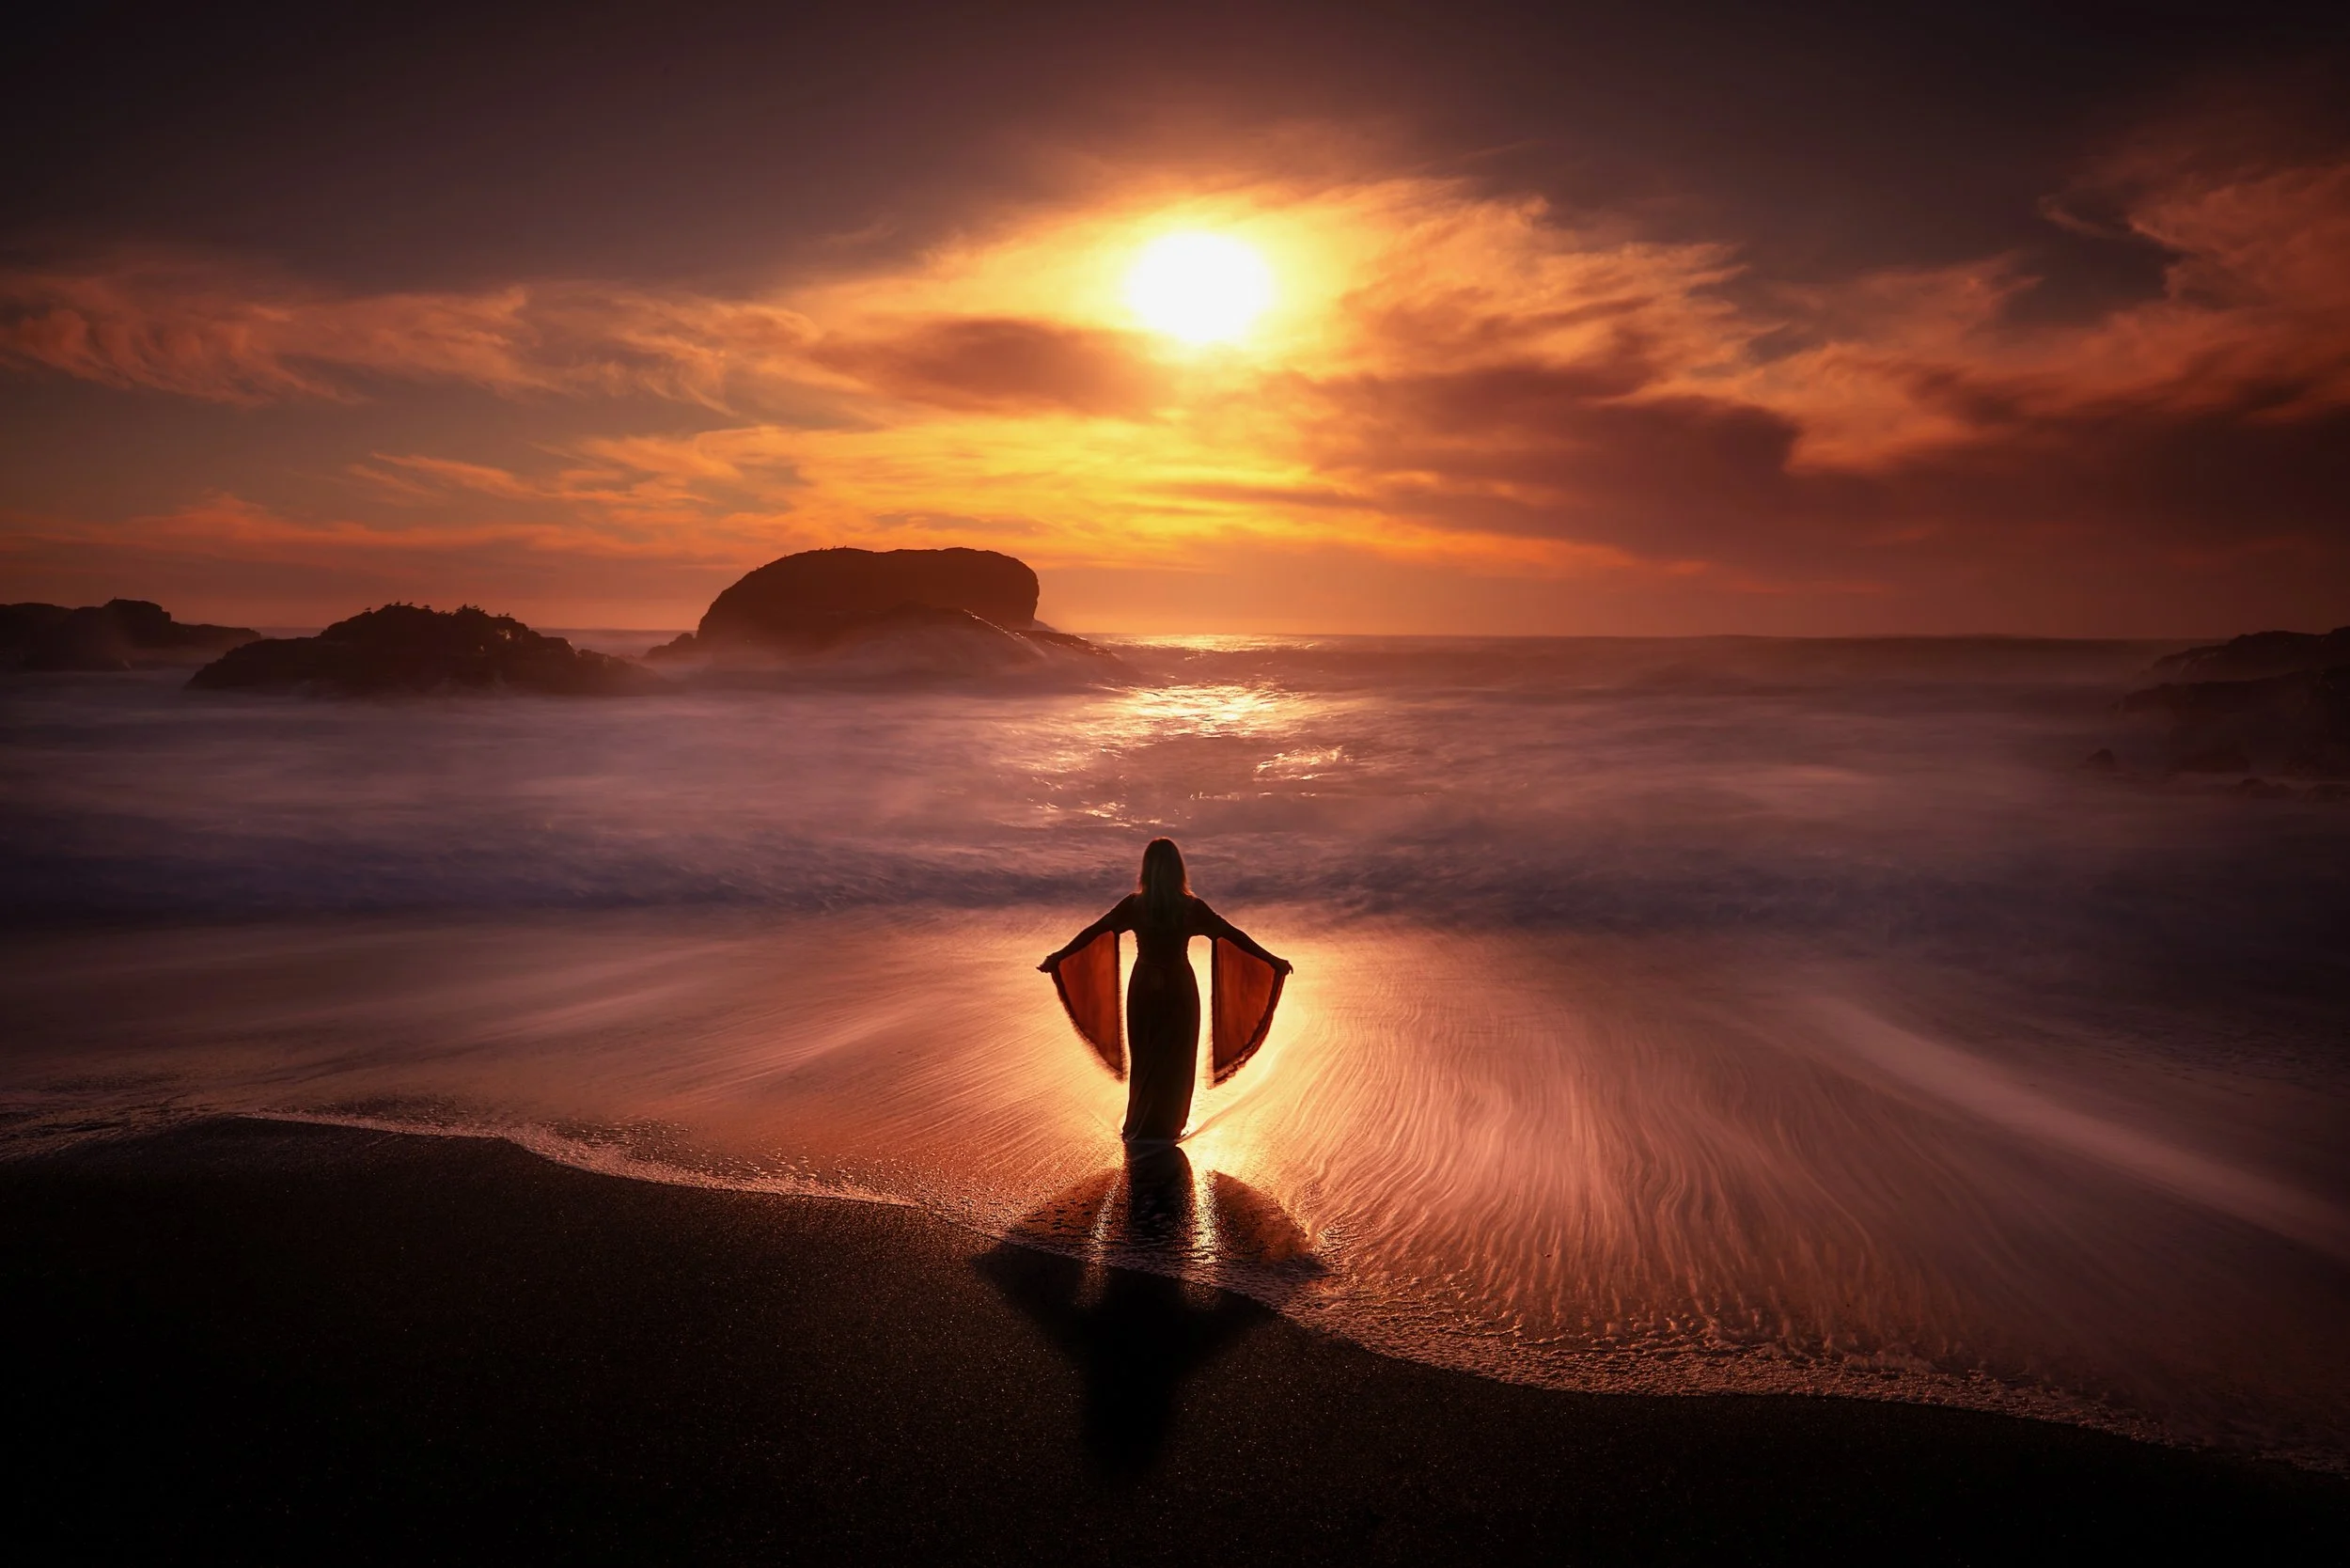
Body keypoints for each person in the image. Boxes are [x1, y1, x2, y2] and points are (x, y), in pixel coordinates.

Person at [1039, 838, 1292, 1142]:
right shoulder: (1190, 908)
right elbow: (1233, 935)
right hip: (1178, 987)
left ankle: (1139, 1125)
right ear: (1178, 871)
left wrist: (1059, 957)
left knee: (1146, 1058)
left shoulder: (1135, 906)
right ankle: (1167, 1126)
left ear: (1146, 870)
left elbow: (1094, 932)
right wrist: (1272, 960)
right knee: (1176, 1060)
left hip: (1144, 985)